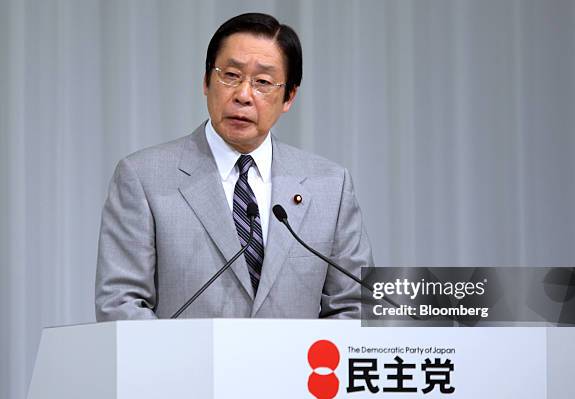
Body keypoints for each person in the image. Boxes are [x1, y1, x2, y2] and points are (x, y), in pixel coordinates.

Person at [95, 12, 373, 320]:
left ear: (289, 97)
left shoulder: (330, 187)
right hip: (187, 368)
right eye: (230, 75)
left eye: (263, 82)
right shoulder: (144, 178)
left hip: (296, 369)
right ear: (205, 80)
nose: (243, 95)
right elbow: (121, 305)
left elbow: (355, 306)